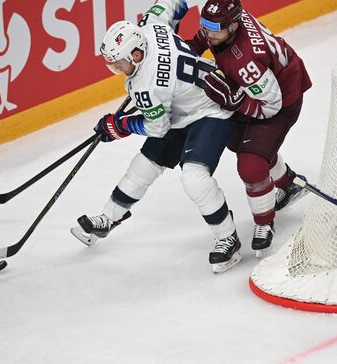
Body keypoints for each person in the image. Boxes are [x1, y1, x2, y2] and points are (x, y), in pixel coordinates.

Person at [71, 0, 242, 274]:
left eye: (120, 64)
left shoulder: (147, 85)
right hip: (178, 106)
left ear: (137, 54)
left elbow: (157, 128)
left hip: (210, 109)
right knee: (143, 165)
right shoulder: (150, 26)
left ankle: (227, 237)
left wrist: (121, 126)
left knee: (195, 178)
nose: (118, 71)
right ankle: (108, 218)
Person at [186, 0, 312, 257]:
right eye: (205, 26)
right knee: (237, 140)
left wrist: (236, 100)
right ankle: (288, 183)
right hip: (261, 86)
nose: (208, 33)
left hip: (281, 100)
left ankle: (265, 224)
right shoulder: (223, 24)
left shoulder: (247, 61)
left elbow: (270, 107)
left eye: (214, 29)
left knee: (251, 164)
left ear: (233, 26)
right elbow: (201, 39)